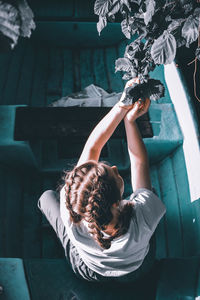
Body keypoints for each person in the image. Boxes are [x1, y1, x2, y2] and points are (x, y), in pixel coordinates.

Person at [38, 78, 166, 283]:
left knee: (46, 198)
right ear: (116, 203)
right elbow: (138, 161)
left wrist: (121, 105)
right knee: (151, 195)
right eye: (115, 174)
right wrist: (129, 119)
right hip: (136, 272)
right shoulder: (141, 215)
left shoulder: (69, 206)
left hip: (89, 272)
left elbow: (92, 149)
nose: (116, 168)